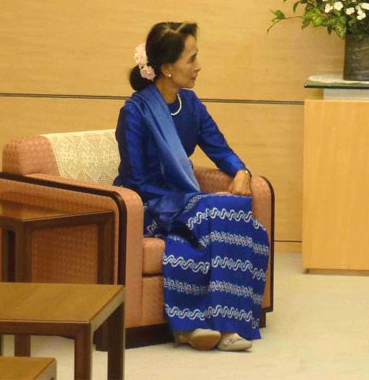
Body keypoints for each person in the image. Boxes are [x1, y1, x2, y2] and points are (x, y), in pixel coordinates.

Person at [114, 22, 269, 351]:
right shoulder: (135, 112)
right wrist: (190, 201)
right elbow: (137, 181)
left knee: (237, 208)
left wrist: (240, 171)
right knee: (216, 209)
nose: (198, 66)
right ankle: (205, 325)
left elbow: (220, 148)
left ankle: (219, 325)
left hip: (186, 199)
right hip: (150, 205)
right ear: (167, 68)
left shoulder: (191, 105)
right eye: (192, 59)